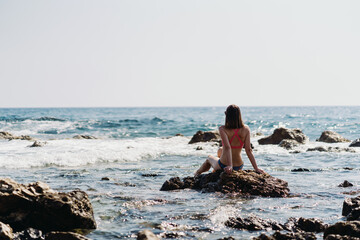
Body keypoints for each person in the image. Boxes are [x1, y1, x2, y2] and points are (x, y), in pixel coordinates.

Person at [195, 104, 265, 176]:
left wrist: (229, 166)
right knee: (220, 150)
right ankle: (214, 171)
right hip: (239, 166)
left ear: (227, 115)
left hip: (224, 165)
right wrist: (256, 168)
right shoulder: (246, 129)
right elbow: (248, 150)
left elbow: (228, 147)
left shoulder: (222, 129)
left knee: (209, 158)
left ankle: (197, 173)